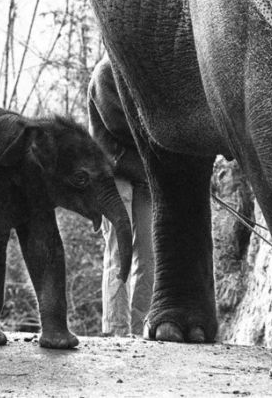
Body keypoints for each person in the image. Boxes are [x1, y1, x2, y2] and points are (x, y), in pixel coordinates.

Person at [87, 54, 154, 337]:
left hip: (146, 176)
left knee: (149, 256)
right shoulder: (105, 74)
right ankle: (116, 330)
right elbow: (118, 126)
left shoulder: (142, 72)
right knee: (119, 252)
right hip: (113, 177)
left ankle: (139, 328)